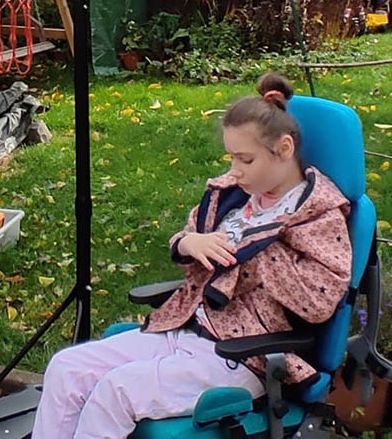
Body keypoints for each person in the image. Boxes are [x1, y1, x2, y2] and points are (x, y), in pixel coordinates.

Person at [32, 73, 352, 439]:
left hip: (242, 355)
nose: (235, 171)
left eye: (245, 160)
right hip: (185, 326)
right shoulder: (233, 193)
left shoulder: (319, 218)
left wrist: (257, 250)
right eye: (232, 158)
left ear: (283, 149)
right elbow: (186, 236)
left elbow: (319, 302)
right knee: (66, 368)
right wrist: (190, 244)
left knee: (115, 391)